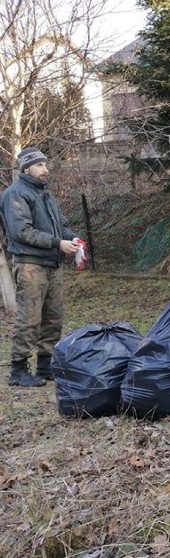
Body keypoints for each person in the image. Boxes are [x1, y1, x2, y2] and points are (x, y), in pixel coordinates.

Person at [1, 147, 81, 387]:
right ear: (26, 168)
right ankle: (18, 369)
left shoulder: (45, 194)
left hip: (52, 264)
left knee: (54, 317)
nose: (45, 170)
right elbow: (21, 232)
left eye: (45, 165)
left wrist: (73, 239)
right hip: (30, 264)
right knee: (30, 318)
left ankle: (46, 365)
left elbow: (61, 227)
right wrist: (59, 243)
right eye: (39, 165)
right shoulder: (15, 194)